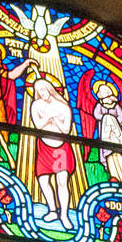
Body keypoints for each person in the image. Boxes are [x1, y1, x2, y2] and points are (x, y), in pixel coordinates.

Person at [28, 75, 77, 227]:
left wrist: (54, 120)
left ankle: (64, 215)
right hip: (44, 146)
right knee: (43, 180)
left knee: (62, 181)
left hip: (60, 148)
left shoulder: (63, 107)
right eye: (38, 90)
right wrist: (48, 118)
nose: (41, 92)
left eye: (43, 89)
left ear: (50, 88)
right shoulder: (35, 105)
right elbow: (38, 125)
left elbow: (66, 129)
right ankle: (52, 211)